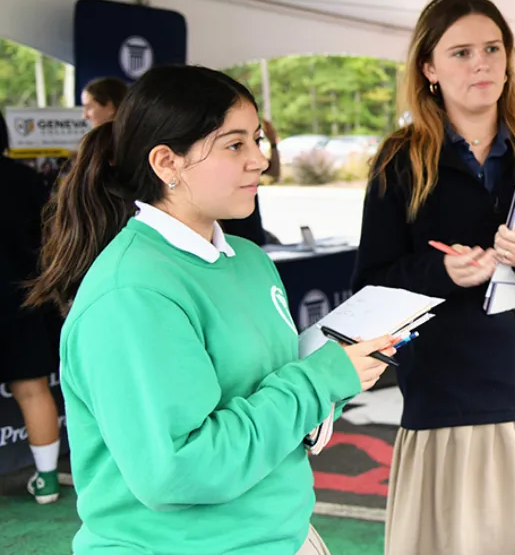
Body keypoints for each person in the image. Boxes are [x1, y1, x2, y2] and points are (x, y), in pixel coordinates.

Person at [24, 64, 399, 555]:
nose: (259, 161)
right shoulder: (133, 293)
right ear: (167, 163)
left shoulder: (249, 261)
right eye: (234, 145)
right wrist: (319, 381)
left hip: (280, 536)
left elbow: (273, 399)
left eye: (257, 141)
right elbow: (178, 470)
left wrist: (337, 376)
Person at [351, 0, 515, 554]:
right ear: (429, 68)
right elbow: (370, 286)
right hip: (455, 407)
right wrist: (442, 272)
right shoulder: (401, 161)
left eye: (492, 49)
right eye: (461, 52)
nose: (482, 63)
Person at [0, 110, 63, 504]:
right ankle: (48, 482)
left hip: (21, 298)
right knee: (33, 390)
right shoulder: (25, 179)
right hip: (23, 298)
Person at [221, 118, 281, 246]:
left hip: (254, 238)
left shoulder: (252, 162)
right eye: (236, 145)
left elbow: (274, 171)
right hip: (231, 242)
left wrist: (273, 143)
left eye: (257, 140)